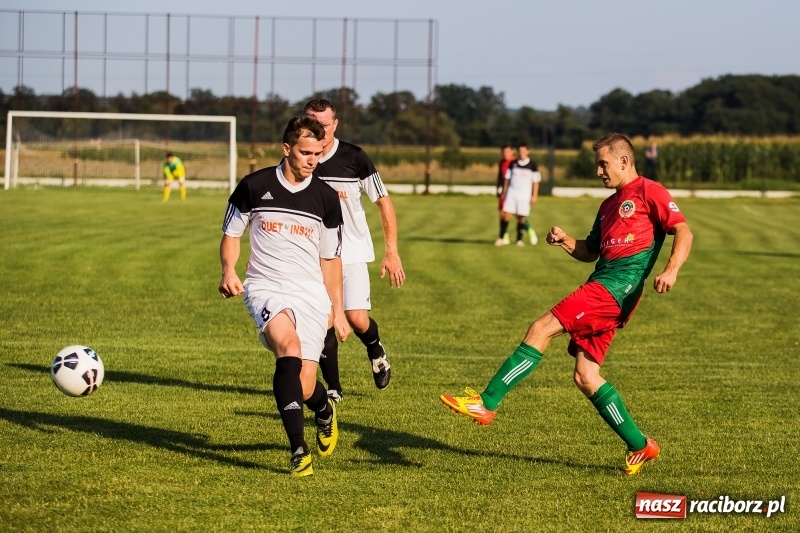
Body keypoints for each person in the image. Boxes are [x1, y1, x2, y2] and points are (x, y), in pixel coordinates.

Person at [441, 132, 693, 475]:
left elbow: (683, 230)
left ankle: (486, 403)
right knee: (586, 376)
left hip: (616, 288)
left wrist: (671, 270)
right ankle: (640, 444)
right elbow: (590, 251)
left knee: (540, 328)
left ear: (624, 160)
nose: (599, 172)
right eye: (596, 165)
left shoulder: (651, 191)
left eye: (603, 164)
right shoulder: (606, 206)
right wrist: (565, 241)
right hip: (604, 285)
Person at [218, 115, 351, 476]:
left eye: (318, 154)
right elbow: (232, 234)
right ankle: (298, 451)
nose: (312, 160)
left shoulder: (325, 198)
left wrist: (337, 310)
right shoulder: (254, 185)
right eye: (306, 152)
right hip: (265, 286)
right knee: (287, 348)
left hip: (310, 292)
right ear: (287, 148)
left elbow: (330, 259)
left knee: (306, 387)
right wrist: (229, 270)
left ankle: (323, 410)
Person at [302, 98, 405, 402]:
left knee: (356, 318)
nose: (319, 129)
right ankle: (333, 388)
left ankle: (375, 349)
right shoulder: (300, 159)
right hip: (315, 254)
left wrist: (392, 251)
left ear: (335, 124)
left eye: (324, 123)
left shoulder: (354, 157)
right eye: (313, 123)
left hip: (352, 252)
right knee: (323, 321)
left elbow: (383, 202)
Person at [495, 143, 540, 247]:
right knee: (506, 214)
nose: (522, 153)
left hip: (524, 195)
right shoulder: (513, 163)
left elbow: (536, 181)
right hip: (512, 193)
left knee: (521, 217)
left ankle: (519, 240)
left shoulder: (532, 165)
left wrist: (534, 195)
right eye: (520, 150)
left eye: (524, 150)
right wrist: (504, 192)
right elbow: (507, 179)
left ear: (528, 151)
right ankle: (501, 238)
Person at [495, 145, 516, 245]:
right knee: (502, 214)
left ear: (512, 152)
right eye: (503, 152)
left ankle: (528, 230)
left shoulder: (515, 162)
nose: (505, 154)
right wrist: (498, 189)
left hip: (513, 191)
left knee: (517, 215)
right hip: (504, 191)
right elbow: (500, 177)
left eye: (507, 152)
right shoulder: (501, 163)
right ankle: (503, 236)